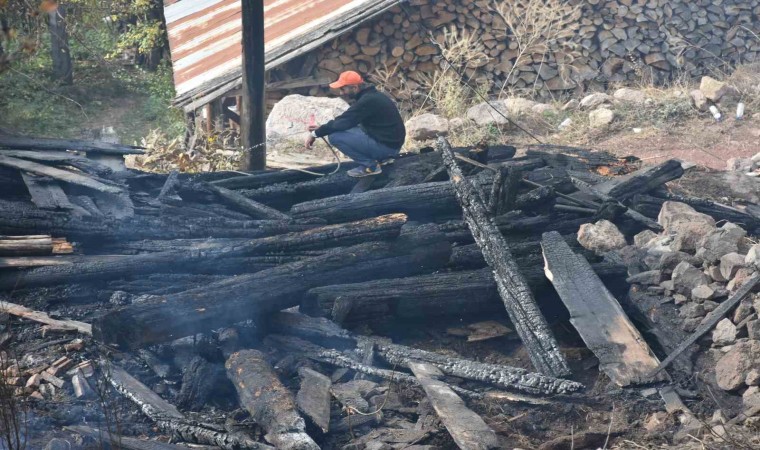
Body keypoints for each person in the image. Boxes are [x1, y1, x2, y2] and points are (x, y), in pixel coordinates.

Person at [305, 70, 406, 177]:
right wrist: (322, 128)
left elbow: (344, 122)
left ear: (354, 87)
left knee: (335, 137)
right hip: (390, 144)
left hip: (387, 148)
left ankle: (371, 167)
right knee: (342, 129)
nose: (341, 93)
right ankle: (383, 159)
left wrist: (315, 134)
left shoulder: (367, 100)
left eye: (343, 89)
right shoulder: (372, 96)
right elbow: (347, 121)